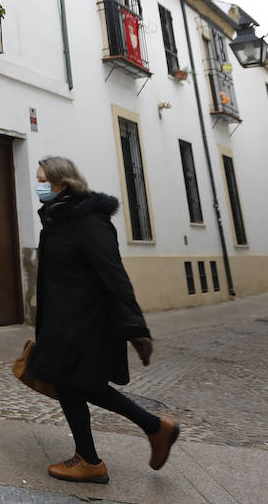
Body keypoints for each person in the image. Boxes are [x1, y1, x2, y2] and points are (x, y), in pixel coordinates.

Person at [27, 156, 180, 484]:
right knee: (77, 385)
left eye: (43, 180)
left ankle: (94, 458)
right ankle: (151, 429)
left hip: (85, 323)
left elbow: (114, 273)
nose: (38, 186)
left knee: (73, 383)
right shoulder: (58, 217)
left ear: (63, 183)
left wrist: (136, 327)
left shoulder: (87, 220)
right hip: (65, 321)